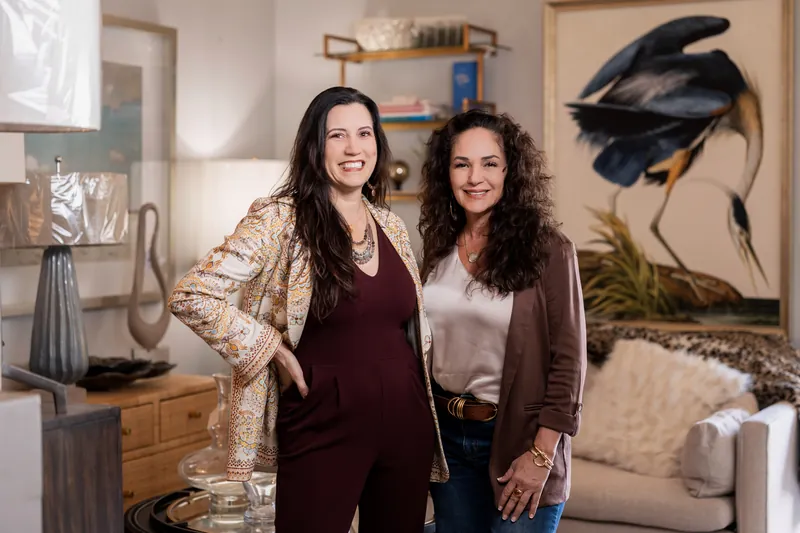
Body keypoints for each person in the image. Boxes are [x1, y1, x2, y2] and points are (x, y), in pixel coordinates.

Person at [168, 86, 449, 533]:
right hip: (322, 416)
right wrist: (270, 348)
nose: (354, 148)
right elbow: (191, 294)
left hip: (406, 417)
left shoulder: (391, 225)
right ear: (315, 147)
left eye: (364, 133)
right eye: (337, 135)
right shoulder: (279, 219)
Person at [417, 109, 587, 533]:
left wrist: (542, 455)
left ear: (510, 171)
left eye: (489, 163)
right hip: (448, 443)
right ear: (447, 173)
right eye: (462, 164)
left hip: (521, 442)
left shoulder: (548, 249)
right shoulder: (436, 247)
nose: (475, 177)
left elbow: (569, 361)